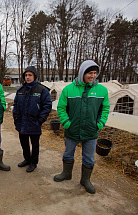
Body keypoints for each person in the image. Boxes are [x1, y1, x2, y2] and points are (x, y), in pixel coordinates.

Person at [53, 60, 110, 194]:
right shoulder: (69, 89)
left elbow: (105, 108)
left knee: (89, 157)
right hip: (72, 128)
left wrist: (101, 122)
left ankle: (85, 180)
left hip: (91, 130)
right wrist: (66, 122)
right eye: (90, 73)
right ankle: (66, 174)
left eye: (95, 73)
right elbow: (61, 108)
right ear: (82, 73)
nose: (92, 76)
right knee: (68, 153)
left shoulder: (102, 90)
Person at [13, 66, 52, 172]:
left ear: (34, 76)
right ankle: (27, 159)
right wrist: (16, 118)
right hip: (22, 123)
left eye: (30, 75)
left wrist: (40, 120)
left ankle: (33, 163)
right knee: (24, 143)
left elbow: (47, 106)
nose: (27, 77)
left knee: (35, 145)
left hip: (34, 122)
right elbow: (16, 104)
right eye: (26, 75)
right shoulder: (21, 90)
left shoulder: (42, 90)